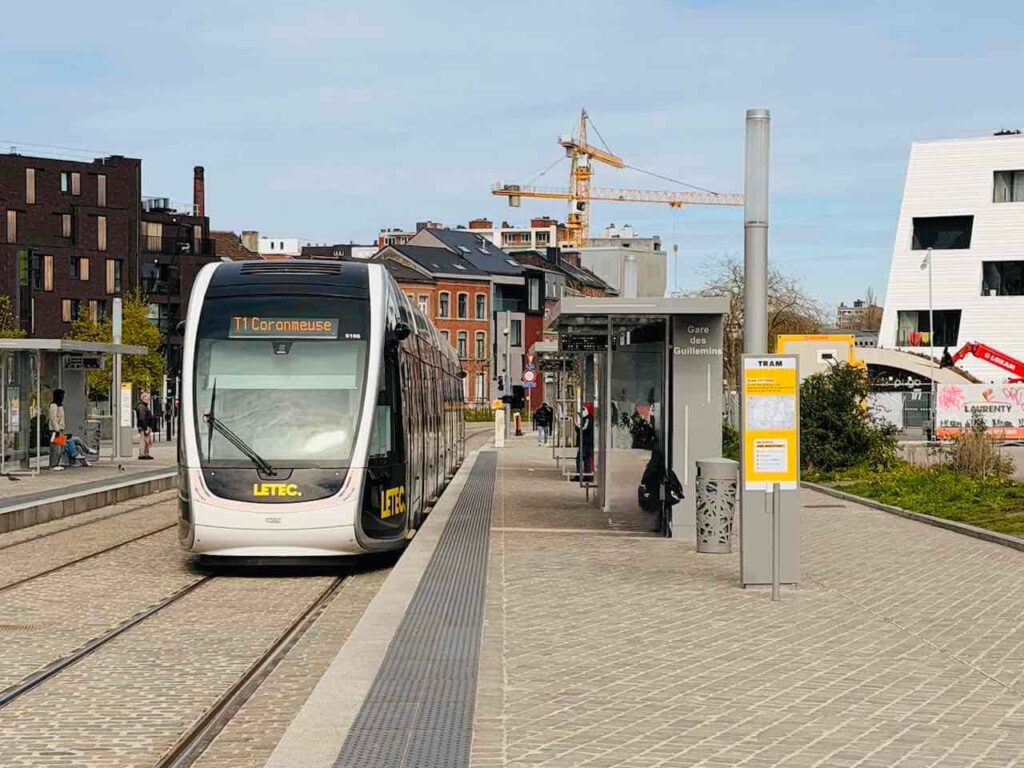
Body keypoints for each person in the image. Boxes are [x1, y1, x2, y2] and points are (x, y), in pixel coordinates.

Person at [47, 389, 66, 471]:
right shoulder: (53, 406)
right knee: (55, 447)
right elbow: (53, 419)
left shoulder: (60, 406)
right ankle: (53, 464)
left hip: (61, 429)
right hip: (55, 430)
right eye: (62, 395)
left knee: (60, 447)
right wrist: (56, 429)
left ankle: (57, 463)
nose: (63, 397)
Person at [136, 392, 154, 460]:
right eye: (147, 398)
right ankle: (142, 454)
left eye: (148, 398)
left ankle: (146, 454)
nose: (148, 399)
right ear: (143, 398)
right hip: (144, 426)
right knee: (143, 441)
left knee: (146, 441)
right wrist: (145, 428)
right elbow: (142, 418)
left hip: (145, 426)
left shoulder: (144, 406)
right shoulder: (142, 407)